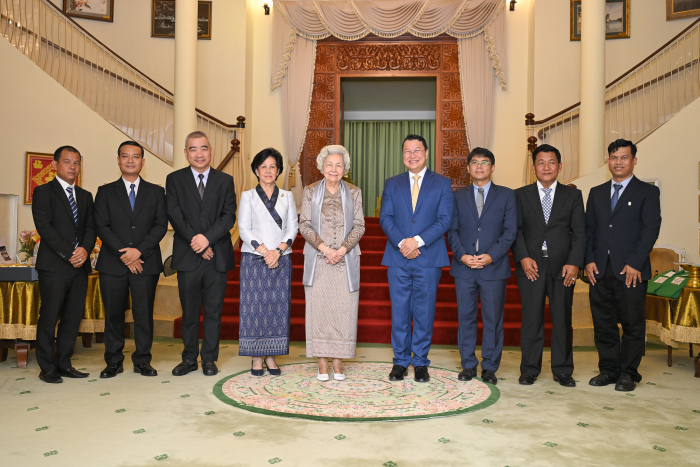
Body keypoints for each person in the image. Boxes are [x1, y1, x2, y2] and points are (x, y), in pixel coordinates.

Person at [585, 139, 661, 392]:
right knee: (603, 323)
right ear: (608, 161)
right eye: (614, 157)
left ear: (634, 161)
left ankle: (628, 373)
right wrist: (589, 260)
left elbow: (650, 230)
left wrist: (635, 262)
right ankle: (608, 370)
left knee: (632, 324)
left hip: (631, 271)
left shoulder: (647, 192)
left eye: (624, 157)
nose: (618, 162)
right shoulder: (596, 192)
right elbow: (589, 229)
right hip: (599, 270)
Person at [380, 134, 453, 383]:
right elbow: (385, 218)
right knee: (399, 313)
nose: (412, 155)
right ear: (403, 155)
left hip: (428, 257)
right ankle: (400, 362)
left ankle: (421, 362)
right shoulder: (392, 183)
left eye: (417, 150)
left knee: (424, 312)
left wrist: (417, 241)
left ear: (426, 153)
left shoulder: (442, 183)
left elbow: (444, 219)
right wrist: (403, 243)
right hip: (398, 258)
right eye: (407, 151)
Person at [512, 144, 585, 387]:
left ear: (559, 166)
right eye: (541, 162)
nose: (546, 167)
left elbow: (579, 233)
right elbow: (515, 231)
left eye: (551, 162)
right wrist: (523, 257)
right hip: (530, 266)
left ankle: (563, 370)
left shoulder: (573, 196)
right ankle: (529, 369)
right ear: (533, 167)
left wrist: (574, 263)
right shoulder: (520, 195)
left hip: (563, 268)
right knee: (531, 319)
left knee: (562, 319)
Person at [94, 141, 168, 378]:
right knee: (113, 315)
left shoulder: (156, 192)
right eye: (125, 156)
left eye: (135, 156)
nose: (130, 160)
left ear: (142, 162)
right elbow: (101, 226)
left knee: (143, 315)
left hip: (146, 263)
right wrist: (125, 254)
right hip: (112, 264)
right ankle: (113, 361)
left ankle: (143, 361)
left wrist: (139, 252)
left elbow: (160, 226)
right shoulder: (105, 191)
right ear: (118, 160)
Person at [166, 131, 237, 377]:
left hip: (217, 256)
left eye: (203, 148)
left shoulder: (225, 180)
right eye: (193, 149)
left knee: (213, 312)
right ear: (186, 153)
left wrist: (207, 239)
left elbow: (228, 216)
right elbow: (174, 213)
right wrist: (196, 242)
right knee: (189, 313)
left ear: (211, 151)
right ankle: (188, 359)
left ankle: (209, 359)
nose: (199, 154)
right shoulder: (174, 179)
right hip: (188, 256)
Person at [447, 147, 516, 385]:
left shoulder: (507, 195)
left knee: (493, 319)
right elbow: (452, 230)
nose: (479, 166)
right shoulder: (457, 196)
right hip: (464, 267)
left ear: (492, 167)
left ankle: (489, 367)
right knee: (465, 317)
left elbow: (510, 232)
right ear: (468, 168)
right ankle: (468, 365)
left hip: (493, 268)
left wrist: (491, 256)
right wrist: (462, 256)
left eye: (485, 162)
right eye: (475, 162)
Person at [299, 145, 365, 381]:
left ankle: (338, 361)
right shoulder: (310, 191)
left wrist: (342, 250)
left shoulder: (354, 192)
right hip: (319, 260)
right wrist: (326, 249)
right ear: (322, 167)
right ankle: (322, 362)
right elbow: (304, 224)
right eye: (330, 165)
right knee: (319, 311)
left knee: (343, 311)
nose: (334, 169)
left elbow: (359, 225)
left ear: (345, 168)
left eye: (339, 165)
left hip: (345, 261)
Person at [32, 146, 96, 383]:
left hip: (80, 267)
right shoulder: (43, 192)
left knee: (72, 318)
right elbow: (44, 228)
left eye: (76, 163)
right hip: (54, 266)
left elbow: (91, 227)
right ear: (55, 165)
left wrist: (84, 249)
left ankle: (64, 363)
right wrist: (70, 253)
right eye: (67, 162)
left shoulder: (85, 196)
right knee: (49, 317)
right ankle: (47, 367)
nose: (73, 167)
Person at [238, 148, 298, 376]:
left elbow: (293, 227)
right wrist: (265, 251)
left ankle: (271, 356)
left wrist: (278, 251)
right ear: (256, 170)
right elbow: (243, 228)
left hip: (281, 258)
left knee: (277, 308)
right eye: (263, 166)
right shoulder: (248, 196)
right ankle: (256, 356)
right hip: (254, 258)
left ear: (279, 170)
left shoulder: (287, 196)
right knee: (254, 308)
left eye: (273, 166)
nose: (268, 170)